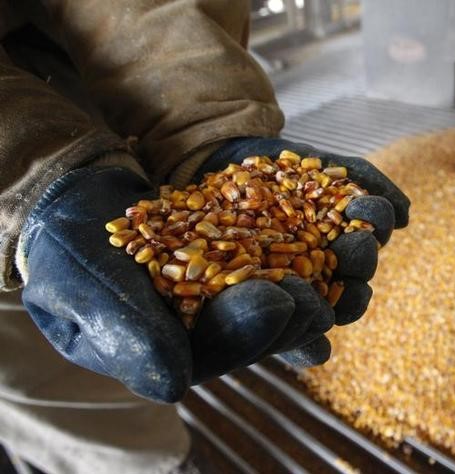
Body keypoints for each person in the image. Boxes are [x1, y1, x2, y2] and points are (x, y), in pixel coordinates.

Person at [0, 1, 410, 473]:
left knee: (133, 325)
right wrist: (24, 181)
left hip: (92, 85)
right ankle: (149, 463)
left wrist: (200, 121)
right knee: (60, 381)